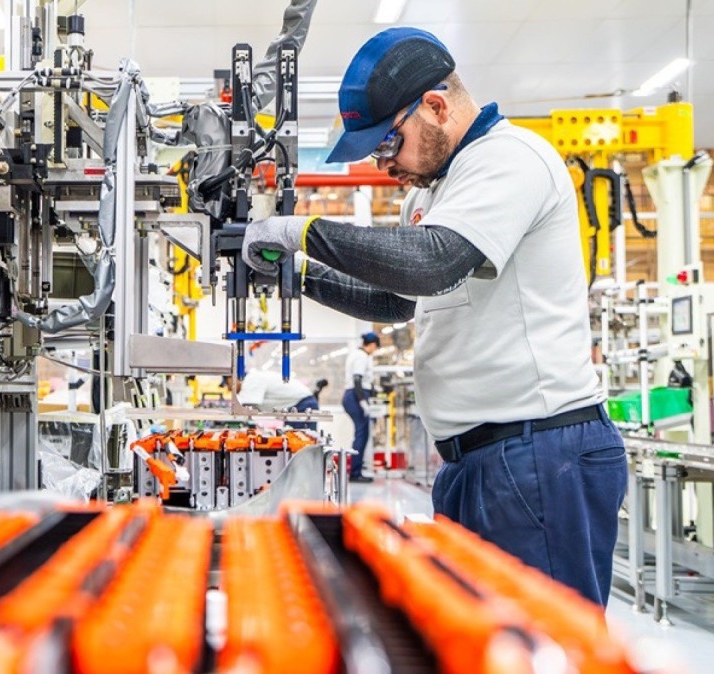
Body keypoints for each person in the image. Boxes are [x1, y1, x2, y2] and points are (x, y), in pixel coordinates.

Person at [239, 27, 627, 608]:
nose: (385, 166)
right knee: (473, 638)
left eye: (387, 144)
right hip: (476, 462)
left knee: (540, 643)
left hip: (541, 454)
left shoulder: (509, 159)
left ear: (436, 107)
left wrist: (300, 231)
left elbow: (432, 262)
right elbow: (397, 300)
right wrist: (295, 274)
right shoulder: (430, 194)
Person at [224, 371, 320, 429]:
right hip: (294, 407)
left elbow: (245, 409)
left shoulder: (251, 380)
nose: (228, 388)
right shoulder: (250, 381)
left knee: (301, 443)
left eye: (227, 383)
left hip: (303, 405)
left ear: (232, 378)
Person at [343, 332, 379, 483]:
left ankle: (356, 469)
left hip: (354, 395)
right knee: (361, 433)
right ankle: (355, 472)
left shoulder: (356, 354)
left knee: (362, 433)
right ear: (372, 345)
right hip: (356, 396)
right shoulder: (361, 356)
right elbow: (357, 379)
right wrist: (363, 401)